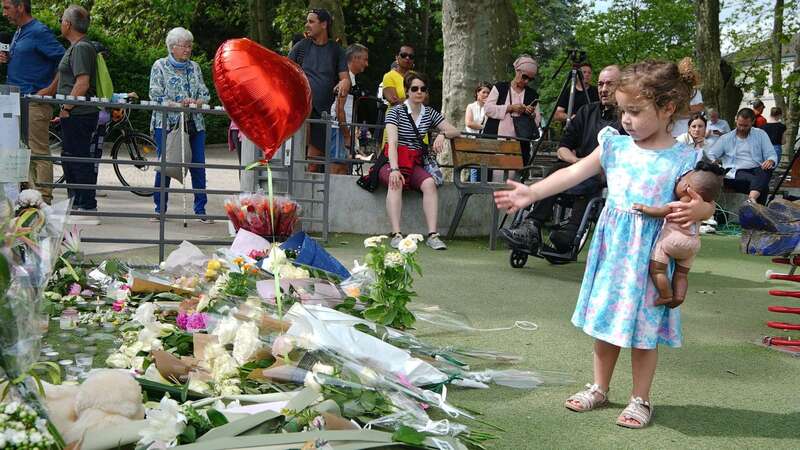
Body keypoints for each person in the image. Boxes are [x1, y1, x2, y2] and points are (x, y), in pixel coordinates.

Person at [494, 58, 714, 429]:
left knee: (644, 332)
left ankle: (640, 398)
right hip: (614, 251)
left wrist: (699, 211)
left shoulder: (683, 156)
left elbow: (705, 201)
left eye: (634, 111)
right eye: (622, 111)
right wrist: (530, 193)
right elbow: (573, 172)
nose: (625, 119)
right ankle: (599, 387)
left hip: (650, 256)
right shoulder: (615, 146)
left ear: (667, 109)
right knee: (606, 324)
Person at [499, 65, 623, 251]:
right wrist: (578, 164)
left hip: (607, 175)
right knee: (558, 168)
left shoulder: (628, 119)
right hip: (576, 170)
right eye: (600, 84)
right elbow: (563, 147)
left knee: (590, 179)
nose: (603, 89)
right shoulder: (586, 112)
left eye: (609, 84)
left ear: (622, 86)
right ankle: (531, 226)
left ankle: (570, 231)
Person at [381, 72, 459, 251]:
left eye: (423, 89)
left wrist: (442, 134)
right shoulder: (395, 112)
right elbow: (392, 143)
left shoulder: (429, 113)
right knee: (396, 183)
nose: (419, 92)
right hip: (392, 160)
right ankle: (396, 234)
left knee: (430, 184)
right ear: (407, 91)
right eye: (414, 89)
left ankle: (432, 235)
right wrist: (394, 169)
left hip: (414, 161)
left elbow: (456, 131)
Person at [37, 5, 99, 224]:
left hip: (79, 113)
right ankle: (77, 202)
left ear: (68, 24)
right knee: (71, 156)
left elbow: (82, 82)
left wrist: (66, 109)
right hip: (75, 112)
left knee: (77, 157)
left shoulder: (81, 48)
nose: (60, 23)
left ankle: (85, 204)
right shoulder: (76, 46)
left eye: (62, 19)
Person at [632, 162, 724, 307]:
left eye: (681, 180)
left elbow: (659, 213)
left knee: (657, 269)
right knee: (682, 274)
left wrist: (643, 208)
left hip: (672, 241)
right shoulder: (700, 206)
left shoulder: (679, 204)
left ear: (686, 188)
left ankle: (666, 295)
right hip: (693, 245)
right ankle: (679, 297)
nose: (677, 181)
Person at [1, 0, 64, 204]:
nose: (4, 13)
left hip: (35, 101)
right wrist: (8, 58)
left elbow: (64, 60)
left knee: (38, 152)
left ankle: (43, 200)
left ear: (20, 7)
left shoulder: (38, 31)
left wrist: (50, 90)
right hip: (15, 100)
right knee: (20, 151)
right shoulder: (19, 32)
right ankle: (28, 198)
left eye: (7, 8)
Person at [148, 27, 212, 223]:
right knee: (165, 165)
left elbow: (205, 94)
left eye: (190, 46)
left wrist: (196, 101)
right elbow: (155, 95)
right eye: (184, 46)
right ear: (172, 47)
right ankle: (160, 209)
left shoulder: (195, 67)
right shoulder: (159, 66)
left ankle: (200, 210)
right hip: (167, 123)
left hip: (193, 123)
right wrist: (179, 104)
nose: (188, 49)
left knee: (198, 164)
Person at [289, 8, 349, 173]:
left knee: (313, 165)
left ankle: (310, 197)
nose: (307, 25)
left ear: (324, 24)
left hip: (323, 114)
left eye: (311, 21)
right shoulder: (301, 47)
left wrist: (344, 82)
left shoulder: (336, 50)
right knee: (298, 160)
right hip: (301, 113)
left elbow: (345, 78)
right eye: (307, 21)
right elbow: (284, 73)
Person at [706, 108, 777, 204]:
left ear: (752, 122)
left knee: (767, 169)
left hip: (757, 168)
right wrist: (714, 162)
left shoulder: (761, 134)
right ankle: (754, 202)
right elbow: (711, 154)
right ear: (736, 120)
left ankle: (752, 200)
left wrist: (771, 160)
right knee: (763, 186)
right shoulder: (726, 138)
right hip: (736, 171)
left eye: (746, 126)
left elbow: (771, 154)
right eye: (740, 125)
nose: (742, 128)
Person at [483, 55, 541, 164]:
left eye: (531, 79)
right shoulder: (500, 87)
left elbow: (537, 121)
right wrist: (510, 108)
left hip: (520, 144)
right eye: (525, 77)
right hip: (496, 139)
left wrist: (530, 114)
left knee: (515, 173)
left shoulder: (533, 95)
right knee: (493, 172)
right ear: (517, 71)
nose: (527, 81)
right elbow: (488, 109)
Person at [329, 43, 369, 174]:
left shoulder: (351, 78)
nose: (366, 64)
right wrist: (346, 135)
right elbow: (339, 108)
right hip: (338, 127)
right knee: (337, 167)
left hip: (342, 127)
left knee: (344, 167)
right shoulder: (346, 79)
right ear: (355, 58)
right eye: (365, 59)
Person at [464, 81, 491, 181]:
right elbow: (469, 123)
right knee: (474, 167)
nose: (486, 95)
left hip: (485, 142)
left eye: (488, 93)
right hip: (472, 141)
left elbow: (491, 125)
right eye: (484, 92)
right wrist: (483, 127)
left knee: (484, 167)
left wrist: (488, 106)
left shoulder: (489, 108)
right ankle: (473, 187)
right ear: (477, 93)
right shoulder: (470, 106)